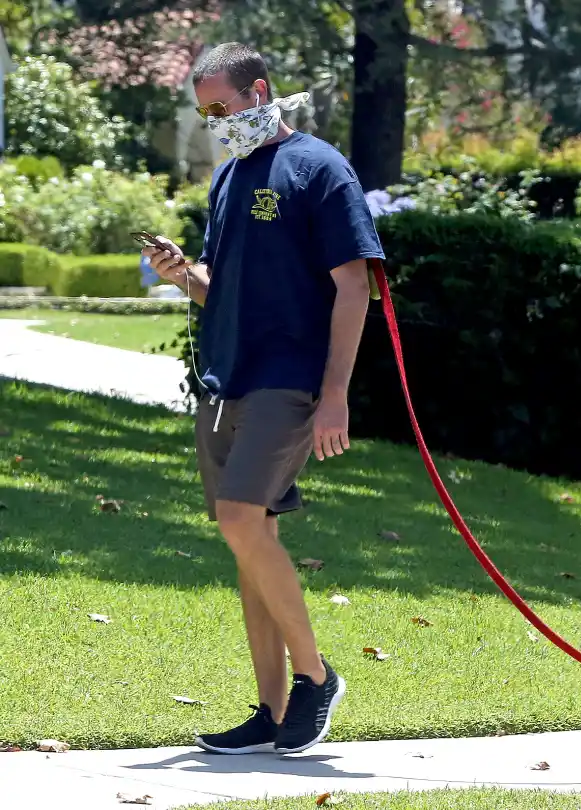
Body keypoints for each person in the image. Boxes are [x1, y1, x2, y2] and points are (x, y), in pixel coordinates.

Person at [142, 42, 384, 756]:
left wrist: (335, 392)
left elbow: (353, 286)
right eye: (204, 112)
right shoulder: (229, 178)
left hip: (288, 380)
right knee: (251, 540)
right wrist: (181, 273)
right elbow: (222, 291)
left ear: (260, 92)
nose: (214, 121)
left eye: (221, 107)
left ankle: (317, 678)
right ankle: (274, 712)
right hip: (226, 382)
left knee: (242, 517)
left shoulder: (319, 168)